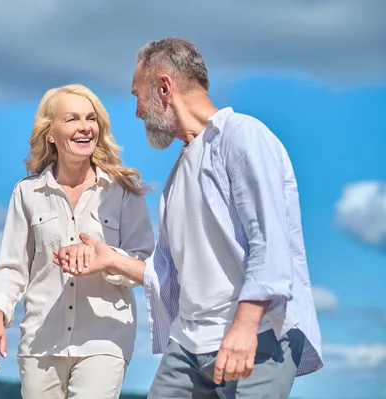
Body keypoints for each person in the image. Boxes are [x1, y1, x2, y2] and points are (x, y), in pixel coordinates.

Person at [53, 38, 323, 399]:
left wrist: (245, 327)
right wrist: (110, 259)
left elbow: (270, 243)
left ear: (164, 87)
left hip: (258, 338)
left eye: (138, 95)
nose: (136, 112)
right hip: (189, 344)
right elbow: (171, 274)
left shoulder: (242, 136)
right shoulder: (179, 173)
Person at [0, 83, 155, 399]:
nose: (85, 127)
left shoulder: (123, 192)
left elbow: (145, 264)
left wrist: (105, 257)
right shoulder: (26, 193)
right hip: (40, 342)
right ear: (50, 133)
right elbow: (11, 267)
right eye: (72, 119)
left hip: (104, 340)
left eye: (91, 118)